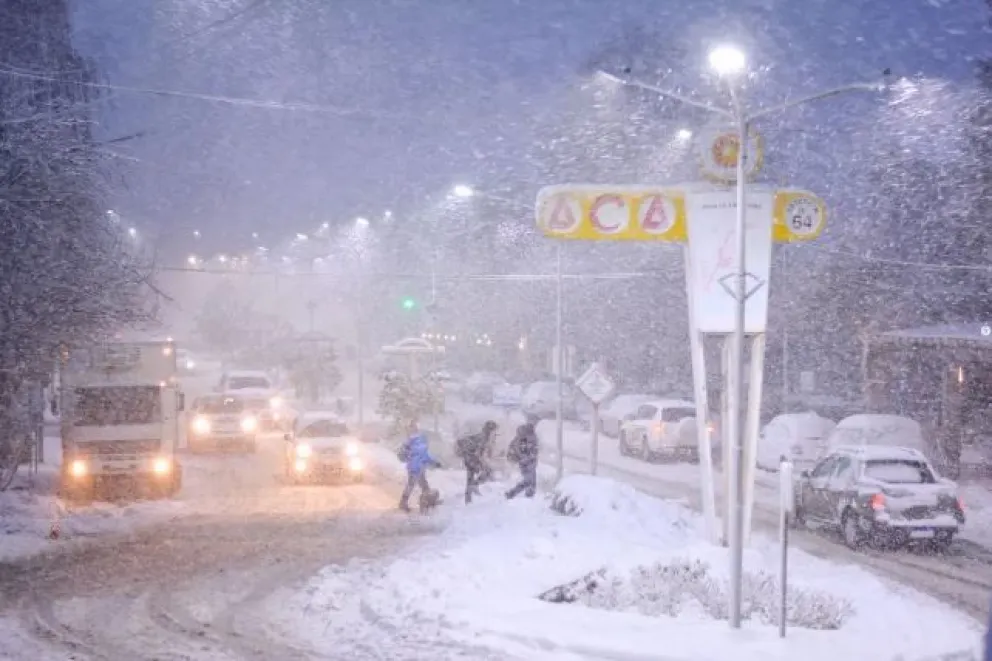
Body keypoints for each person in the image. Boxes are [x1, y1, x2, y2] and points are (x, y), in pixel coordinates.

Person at [397, 421, 441, 512]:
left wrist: (434, 462)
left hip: (416, 467)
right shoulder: (415, 442)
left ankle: (426, 501)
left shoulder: (411, 442)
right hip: (416, 467)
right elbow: (425, 455)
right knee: (414, 485)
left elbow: (425, 455)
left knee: (421, 485)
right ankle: (408, 503)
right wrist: (434, 462)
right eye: (413, 428)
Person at [456, 420, 498, 504]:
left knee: (470, 477)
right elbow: (479, 452)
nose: (495, 433)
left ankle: (468, 499)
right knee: (488, 471)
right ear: (491, 430)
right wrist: (481, 463)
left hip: (468, 457)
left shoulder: (482, 435)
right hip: (471, 458)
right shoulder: (484, 437)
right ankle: (474, 486)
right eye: (494, 430)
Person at [505, 415, 540, 499]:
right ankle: (514, 493)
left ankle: (528, 494)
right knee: (529, 480)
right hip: (529, 461)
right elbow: (532, 449)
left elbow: (513, 445)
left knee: (529, 480)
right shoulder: (531, 435)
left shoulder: (520, 434)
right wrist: (530, 456)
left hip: (523, 461)